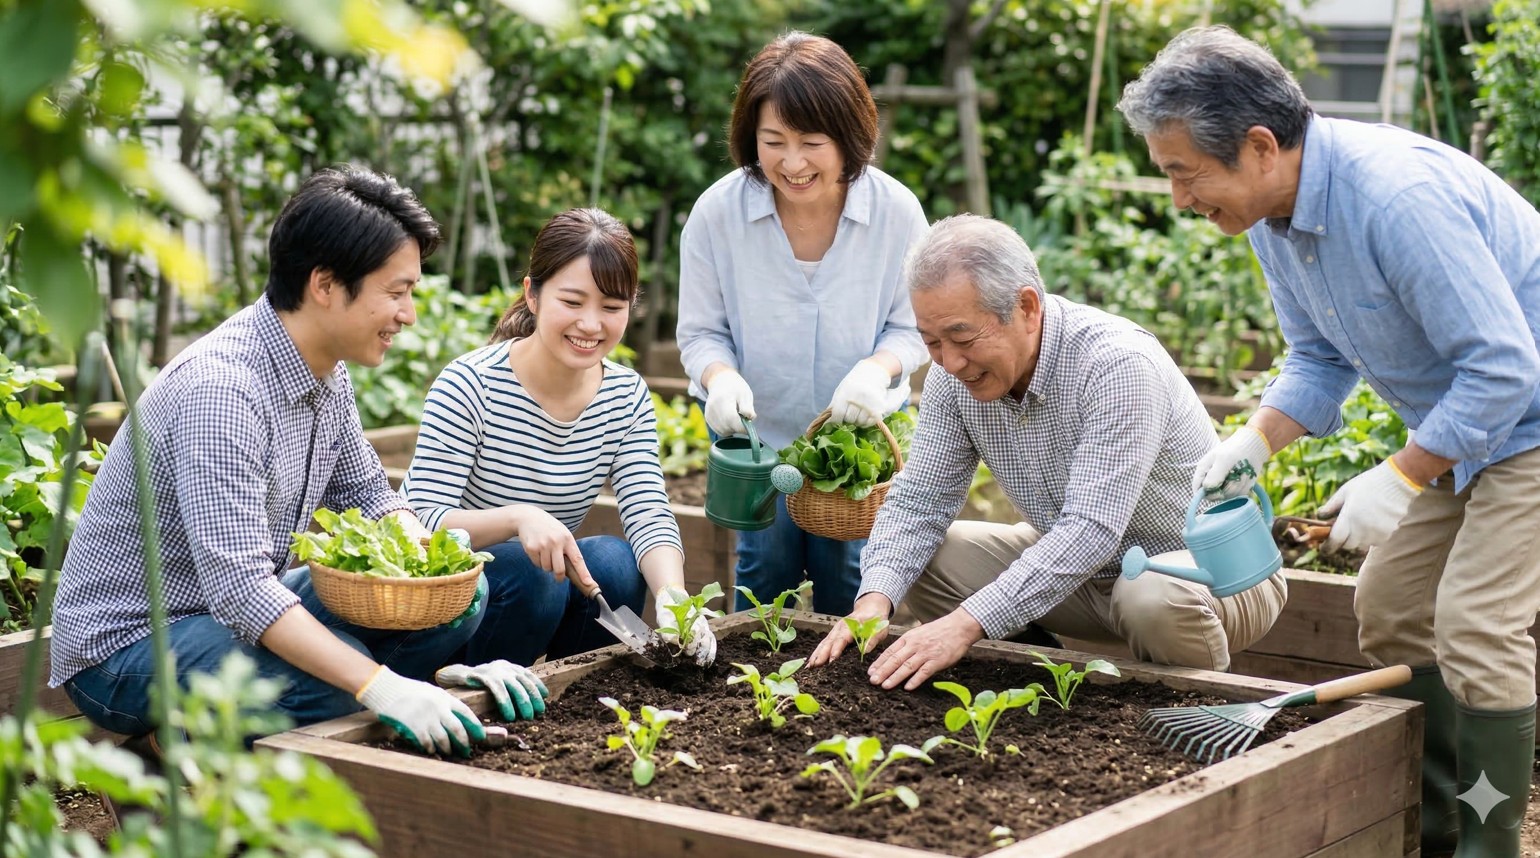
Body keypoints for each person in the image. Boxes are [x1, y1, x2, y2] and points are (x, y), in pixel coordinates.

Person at [1117, 26, 1540, 858]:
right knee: (1389, 610)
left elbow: (1503, 370)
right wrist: (1258, 441)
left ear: (1260, 145)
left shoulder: (1393, 199)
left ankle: (1491, 851)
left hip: (1529, 420)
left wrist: (1402, 476)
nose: (1177, 198)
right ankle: (1436, 828)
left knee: (1475, 622)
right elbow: (1317, 355)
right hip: (1470, 432)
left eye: (1182, 173)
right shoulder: (1277, 219)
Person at [50, 167, 545, 759]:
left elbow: (373, 498)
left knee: (458, 602)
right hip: (131, 646)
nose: (408, 313)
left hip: (230, 610)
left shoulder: (325, 371)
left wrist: (430, 577)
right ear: (326, 285)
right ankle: (170, 746)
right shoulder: (222, 390)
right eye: (396, 291)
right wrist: (379, 684)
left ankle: (365, 709)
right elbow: (242, 592)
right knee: (343, 685)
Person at [809, 214, 1288, 686]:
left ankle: (1197, 706)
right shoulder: (952, 379)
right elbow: (919, 499)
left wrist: (966, 623)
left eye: (961, 337)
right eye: (932, 342)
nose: (950, 361)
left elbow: (1092, 529)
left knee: (1149, 594)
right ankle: (1036, 690)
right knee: (925, 561)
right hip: (1088, 580)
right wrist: (873, 601)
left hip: (1207, 573)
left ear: (1027, 307)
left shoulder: (1116, 365)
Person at [676, 31, 929, 615]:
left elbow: (912, 326)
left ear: (849, 137)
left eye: (812, 142)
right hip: (754, 437)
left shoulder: (896, 213)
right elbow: (699, 332)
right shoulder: (719, 213)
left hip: (857, 436)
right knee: (764, 571)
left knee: (852, 575)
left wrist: (877, 369)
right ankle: (747, 705)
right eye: (773, 141)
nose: (791, 163)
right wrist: (720, 378)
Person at [401, 208, 716, 667]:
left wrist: (675, 598)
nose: (591, 325)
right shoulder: (470, 384)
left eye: (611, 308)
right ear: (532, 295)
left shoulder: (625, 395)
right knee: (536, 572)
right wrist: (518, 519)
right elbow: (422, 519)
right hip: (450, 604)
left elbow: (647, 507)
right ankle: (472, 692)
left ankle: (567, 695)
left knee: (614, 562)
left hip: (536, 594)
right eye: (572, 302)